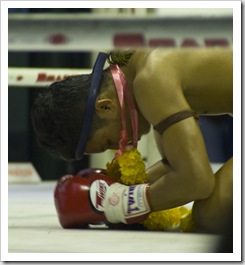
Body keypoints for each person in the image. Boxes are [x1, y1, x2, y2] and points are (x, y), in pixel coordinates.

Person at [31, 48, 233, 233]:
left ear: (105, 107)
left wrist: (119, 204)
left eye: (109, 142)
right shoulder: (139, 75)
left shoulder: (150, 79)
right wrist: (120, 190)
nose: (120, 148)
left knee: (211, 214)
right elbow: (175, 165)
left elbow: (197, 180)